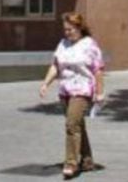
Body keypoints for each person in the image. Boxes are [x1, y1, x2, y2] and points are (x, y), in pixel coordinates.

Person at [39, 12, 105, 180]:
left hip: (83, 89)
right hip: (65, 90)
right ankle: (87, 160)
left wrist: (99, 92)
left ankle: (71, 163)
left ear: (79, 28)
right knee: (77, 126)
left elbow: (98, 70)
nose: (67, 33)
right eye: (65, 30)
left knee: (71, 124)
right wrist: (46, 83)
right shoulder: (63, 44)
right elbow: (55, 65)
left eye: (70, 29)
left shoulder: (89, 45)